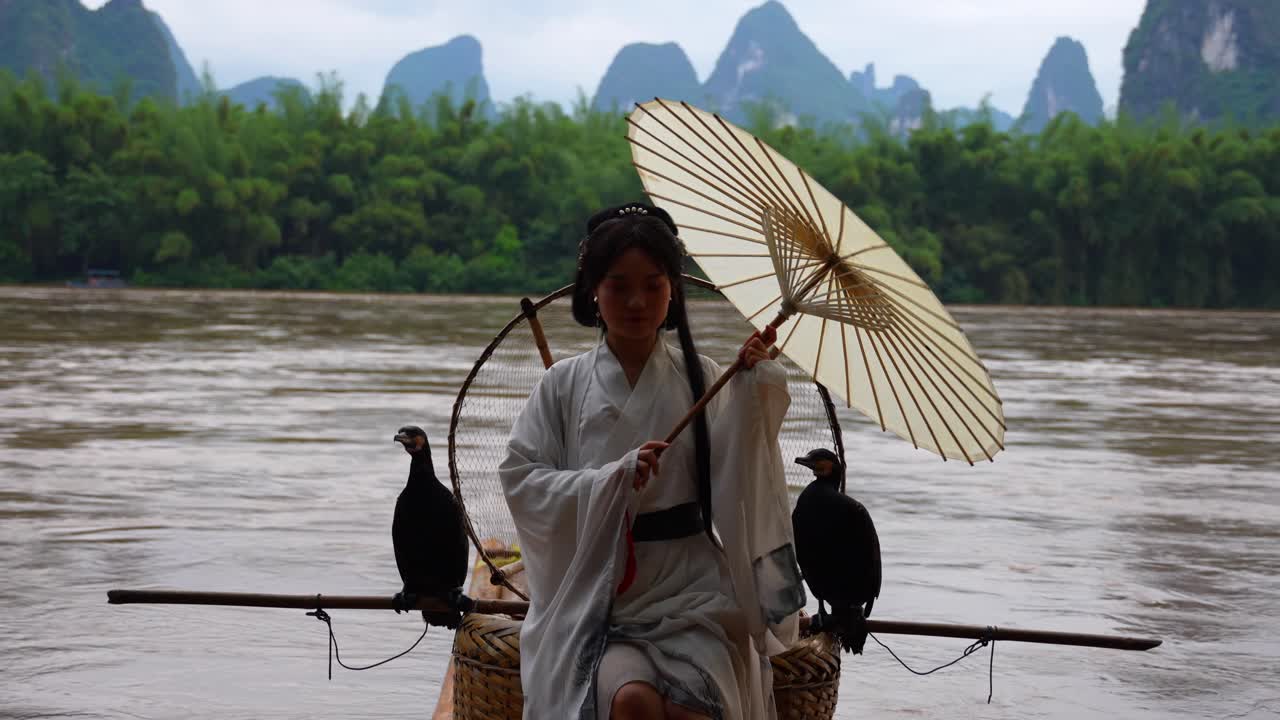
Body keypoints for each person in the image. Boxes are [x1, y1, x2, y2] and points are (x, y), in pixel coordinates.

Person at [499, 202, 805, 719]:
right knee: (631, 702)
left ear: (673, 291)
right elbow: (522, 481)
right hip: (598, 596)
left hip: (693, 592)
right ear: (593, 290)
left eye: (653, 284)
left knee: (693, 710)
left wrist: (753, 389)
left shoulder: (708, 377)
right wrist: (612, 480)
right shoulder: (562, 385)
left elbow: (742, 478)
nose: (637, 301)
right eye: (618, 286)